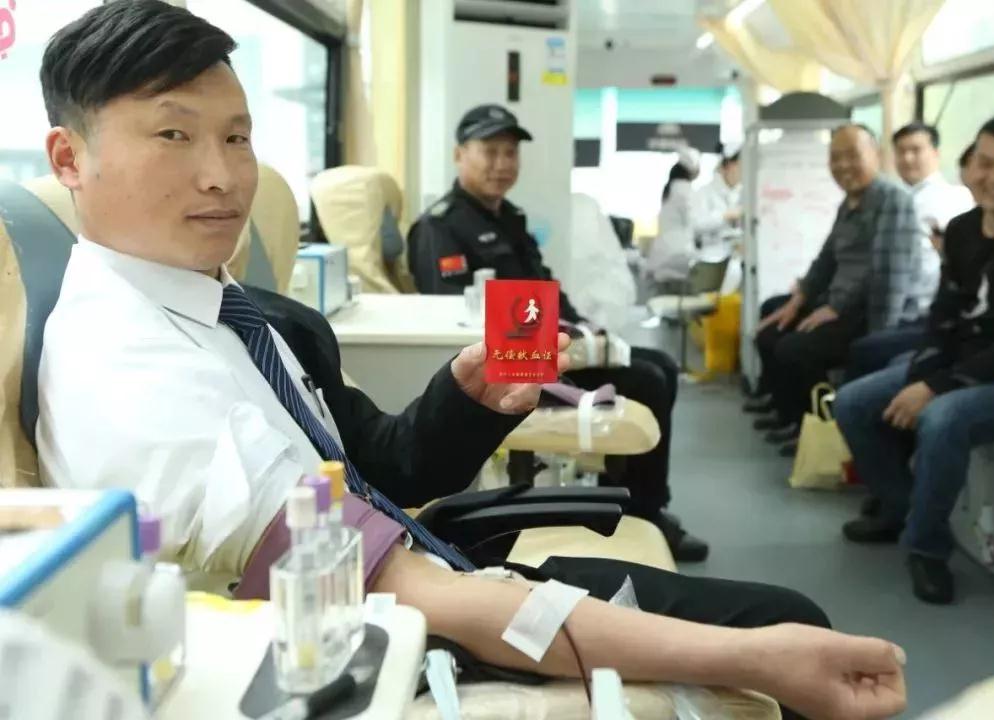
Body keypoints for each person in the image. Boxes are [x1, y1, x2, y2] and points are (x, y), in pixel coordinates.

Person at [33, 6, 910, 718]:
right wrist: (754, 661)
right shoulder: (129, 370)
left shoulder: (232, 308)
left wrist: (464, 396)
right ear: (70, 157)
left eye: (237, 138)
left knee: (784, 614)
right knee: (783, 630)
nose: (223, 177)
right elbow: (418, 598)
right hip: (389, 638)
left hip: (430, 569)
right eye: (174, 135)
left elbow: (373, 464)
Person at [407, 105, 708, 562]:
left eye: (510, 153)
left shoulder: (509, 218)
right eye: (490, 151)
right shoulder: (439, 227)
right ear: (459, 154)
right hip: (507, 370)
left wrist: (587, 331)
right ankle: (643, 511)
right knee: (648, 379)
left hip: (546, 349)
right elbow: (455, 320)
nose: (502, 164)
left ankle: (637, 503)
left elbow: (545, 290)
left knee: (661, 364)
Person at [834, 112, 994, 605]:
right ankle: (902, 509)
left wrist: (934, 387)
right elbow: (942, 316)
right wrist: (927, 371)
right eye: (986, 162)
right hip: (959, 361)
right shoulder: (965, 228)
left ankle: (925, 549)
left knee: (941, 419)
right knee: (853, 402)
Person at [748, 125, 920, 456]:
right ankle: (787, 412)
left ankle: (815, 430)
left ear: (876, 155)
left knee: (796, 348)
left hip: (872, 310)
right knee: (772, 319)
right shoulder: (850, 203)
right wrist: (799, 299)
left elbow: (884, 274)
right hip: (842, 301)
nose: (843, 165)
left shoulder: (892, 200)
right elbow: (826, 259)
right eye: (835, 158)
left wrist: (835, 308)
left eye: (852, 156)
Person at [843, 123, 973, 382]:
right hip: (886, 299)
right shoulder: (894, 196)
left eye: (916, 150)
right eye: (901, 152)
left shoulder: (953, 198)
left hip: (919, 310)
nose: (907, 158)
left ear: (935, 153)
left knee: (862, 349)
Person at [644, 149, 701, 291]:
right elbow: (695, 222)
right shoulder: (684, 190)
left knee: (665, 296)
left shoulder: (672, 187)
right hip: (676, 256)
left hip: (664, 254)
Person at [692, 150, 743, 253]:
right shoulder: (704, 192)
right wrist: (725, 216)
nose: (743, 171)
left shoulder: (741, 193)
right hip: (709, 255)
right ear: (729, 166)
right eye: (740, 165)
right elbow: (696, 224)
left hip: (735, 254)